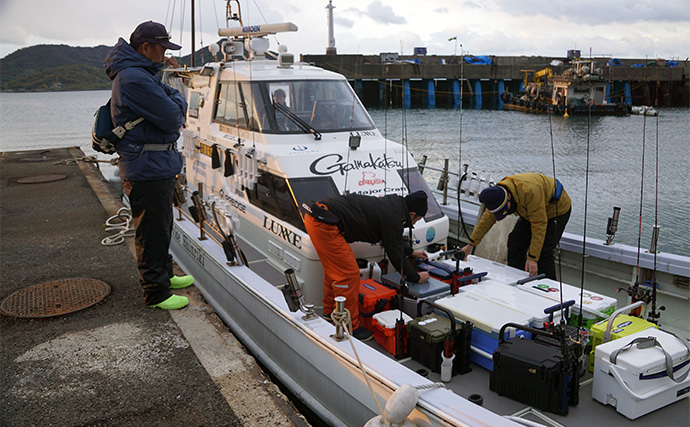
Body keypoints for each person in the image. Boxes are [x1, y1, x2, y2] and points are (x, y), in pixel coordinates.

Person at [104, 21, 194, 310]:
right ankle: (156, 293)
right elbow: (172, 118)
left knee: (161, 226)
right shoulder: (134, 79)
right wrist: (178, 97)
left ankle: (165, 275)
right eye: (162, 48)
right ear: (146, 48)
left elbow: (169, 108)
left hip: (154, 163)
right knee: (151, 230)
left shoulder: (141, 74)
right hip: (146, 165)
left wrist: (171, 98)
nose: (165, 54)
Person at [304, 191, 431, 341]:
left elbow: (392, 240)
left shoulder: (393, 206)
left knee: (334, 271)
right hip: (325, 224)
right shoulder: (393, 216)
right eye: (417, 220)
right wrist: (416, 277)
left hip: (316, 217)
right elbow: (396, 256)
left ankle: (330, 313)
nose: (415, 224)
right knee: (348, 274)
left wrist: (411, 252)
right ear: (412, 214)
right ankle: (349, 326)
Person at [460, 173, 571, 280]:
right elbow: (486, 221)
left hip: (556, 209)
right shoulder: (496, 196)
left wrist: (532, 258)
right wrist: (471, 245)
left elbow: (539, 225)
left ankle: (549, 289)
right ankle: (516, 279)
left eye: (505, 210)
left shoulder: (530, 191)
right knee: (515, 241)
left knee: (543, 252)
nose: (506, 212)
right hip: (529, 210)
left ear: (508, 197)